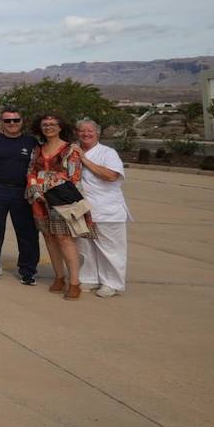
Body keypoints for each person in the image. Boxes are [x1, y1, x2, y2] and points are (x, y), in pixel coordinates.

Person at [26, 114, 95, 300]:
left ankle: (74, 282)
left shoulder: (70, 149)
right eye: (45, 125)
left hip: (61, 199)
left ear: (60, 127)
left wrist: (50, 184)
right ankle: (59, 276)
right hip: (39, 198)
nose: (48, 127)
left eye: (52, 124)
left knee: (64, 238)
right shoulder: (37, 150)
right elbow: (31, 170)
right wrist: (35, 188)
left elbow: (74, 176)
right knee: (49, 237)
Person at [0, 108, 41, 284]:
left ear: (22, 121)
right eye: (7, 121)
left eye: (15, 120)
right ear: (1, 122)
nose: (12, 124)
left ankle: (28, 271)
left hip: (23, 192)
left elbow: (38, 166)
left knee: (27, 233)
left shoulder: (31, 142)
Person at [75, 118, 130, 297]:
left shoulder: (108, 153)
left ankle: (111, 283)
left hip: (107, 209)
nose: (86, 134)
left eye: (90, 131)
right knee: (85, 247)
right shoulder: (73, 151)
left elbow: (111, 175)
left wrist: (84, 160)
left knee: (111, 248)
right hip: (82, 209)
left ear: (97, 133)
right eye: (82, 131)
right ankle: (90, 278)